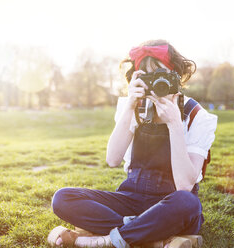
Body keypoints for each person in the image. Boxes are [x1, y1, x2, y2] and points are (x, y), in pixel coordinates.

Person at [48, 40, 217, 248]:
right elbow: (112, 159)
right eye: (146, 76)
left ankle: (106, 240)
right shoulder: (132, 107)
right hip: (131, 199)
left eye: (160, 74)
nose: (154, 83)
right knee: (63, 198)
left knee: (187, 202)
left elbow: (184, 185)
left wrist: (174, 122)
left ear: (175, 75)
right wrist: (129, 106)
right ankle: (147, 235)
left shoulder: (196, 115)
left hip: (170, 203)